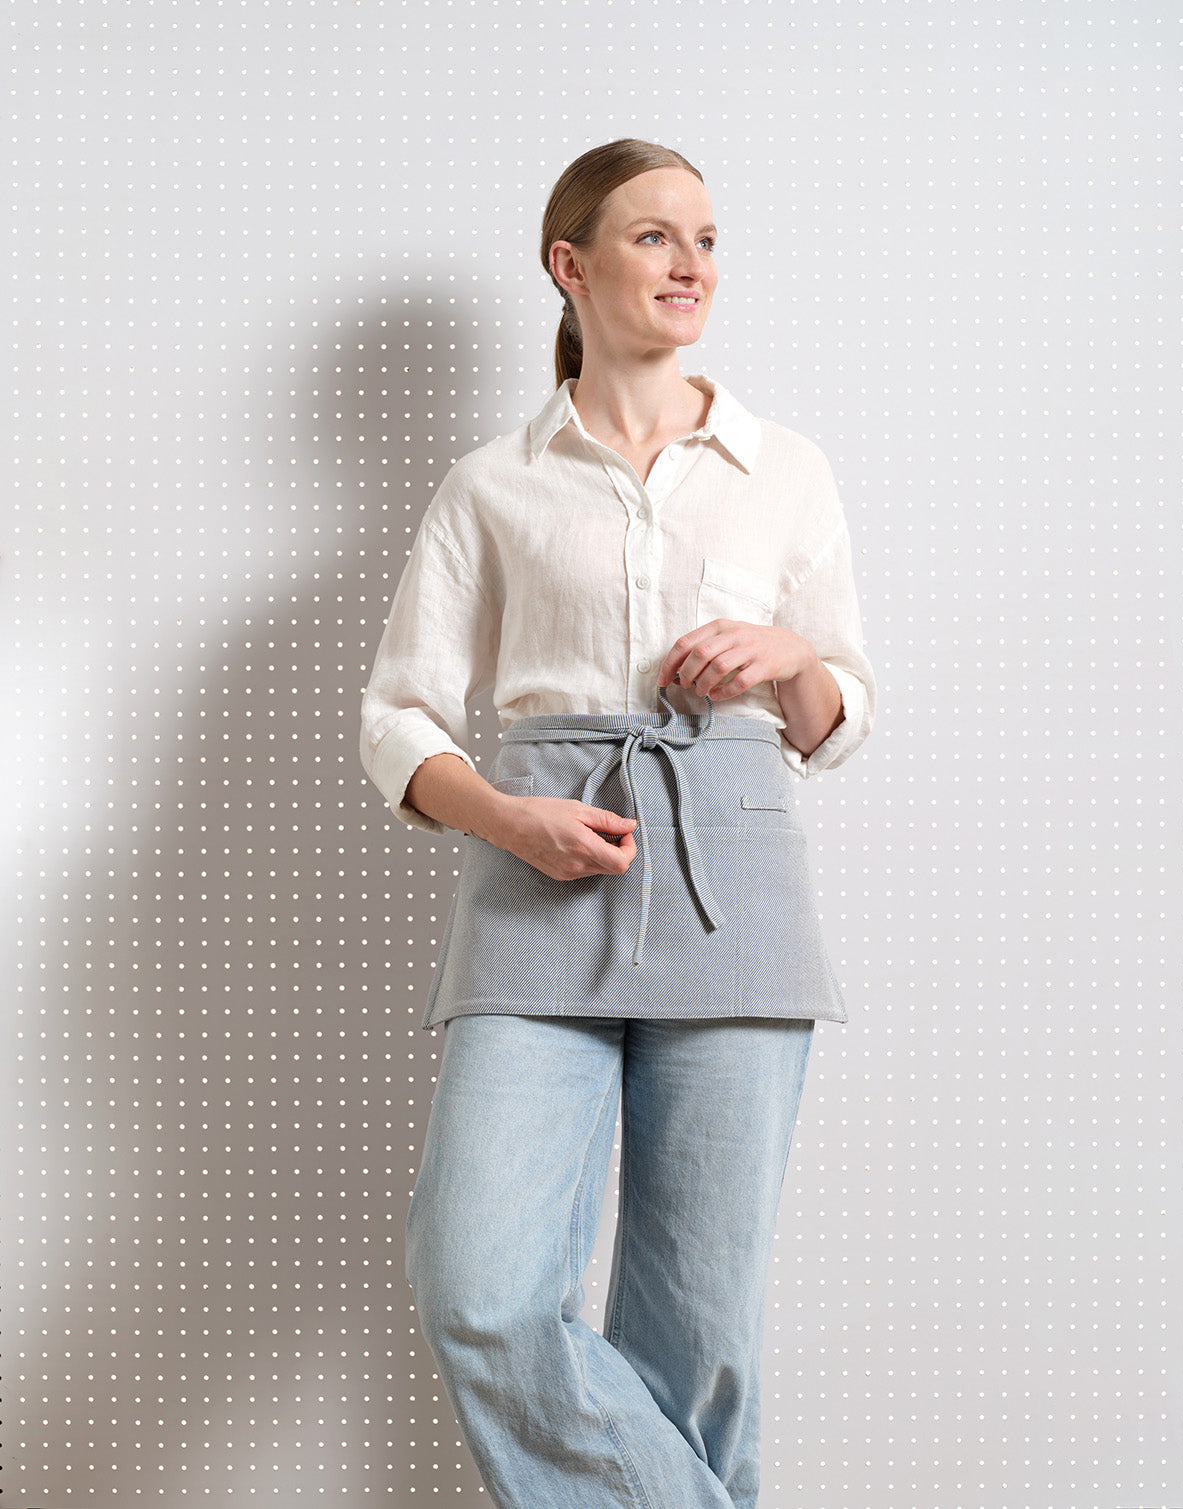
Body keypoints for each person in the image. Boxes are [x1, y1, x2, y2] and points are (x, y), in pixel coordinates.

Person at [360, 138, 876, 1509]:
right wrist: (502, 818)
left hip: (733, 878)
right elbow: (398, 718)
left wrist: (788, 655)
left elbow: (839, 713)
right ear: (570, 266)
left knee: (698, 1331)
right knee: (477, 1285)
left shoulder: (785, 469)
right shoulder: (491, 482)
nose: (691, 263)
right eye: (654, 237)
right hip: (537, 875)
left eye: (706, 238)